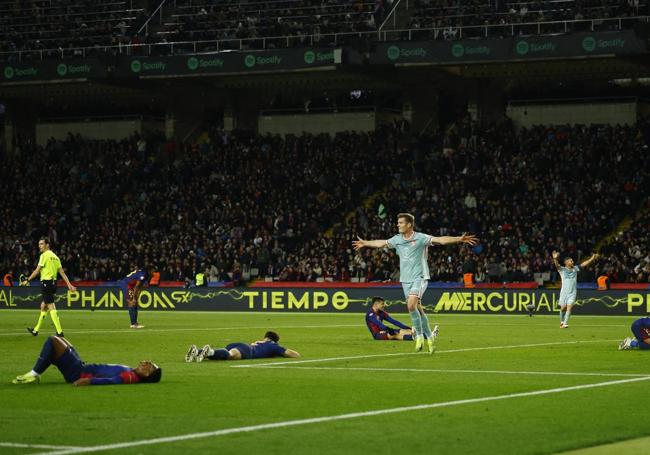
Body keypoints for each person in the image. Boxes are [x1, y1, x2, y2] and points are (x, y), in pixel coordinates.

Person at [353, 212, 477, 353]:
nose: (398, 225)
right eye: (398, 222)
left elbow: (441, 240)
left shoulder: (421, 238)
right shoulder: (397, 239)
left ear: (409, 225)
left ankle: (418, 335)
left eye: (401, 223)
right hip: (405, 280)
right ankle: (429, 337)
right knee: (417, 308)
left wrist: (459, 239)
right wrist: (365, 243)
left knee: (411, 304)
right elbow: (381, 243)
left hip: (420, 277)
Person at [12, 335, 161, 385]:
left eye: (148, 365)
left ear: (147, 374)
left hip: (79, 373)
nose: (144, 362)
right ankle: (36, 373)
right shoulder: (132, 372)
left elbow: (111, 381)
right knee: (61, 341)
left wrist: (89, 381)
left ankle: (33, 373)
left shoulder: (130, 376)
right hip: (82, 368)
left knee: (53, 341)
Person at [23, 238, 76, 337]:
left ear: (47, 245)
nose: (40, 246)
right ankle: (36, 330)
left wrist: (28, 280)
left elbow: (37, 271)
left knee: (51, 306)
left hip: (46, 283)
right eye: (39, 244)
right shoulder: (55, 257)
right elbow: (62, 273)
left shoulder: (44, 255)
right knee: (44, 306)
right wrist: (69, 285)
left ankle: (60, 332)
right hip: (53, 284)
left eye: (42, 244)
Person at [551, 251, 599, 328]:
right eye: (571, 261)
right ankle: (562, 322)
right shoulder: (562, 270)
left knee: (570, 307)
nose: (573, 262)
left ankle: (565, 323)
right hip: (564, 292)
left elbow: (583, 264)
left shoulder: (575, 268)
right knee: (563, 308)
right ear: (566, 262)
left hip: (572, 292)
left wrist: (592, 258)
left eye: (572, 261)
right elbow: (557, 265)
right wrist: (555, 258)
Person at [185, 331, 300, 362]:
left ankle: (197, 352)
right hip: (248, 351)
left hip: (241, 344)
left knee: (225, 354)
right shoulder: (274, 346)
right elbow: (293, 354)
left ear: (265, 337)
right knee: (230, 355)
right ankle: (209, 352)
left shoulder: (259, 342)